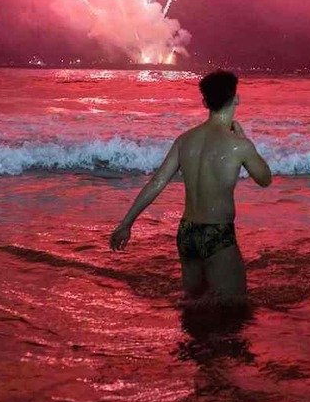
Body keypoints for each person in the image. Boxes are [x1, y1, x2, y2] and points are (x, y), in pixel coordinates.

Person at [109, 70, 272, 303]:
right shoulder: (239, 145)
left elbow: (157, 182)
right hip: (218, 232)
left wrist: (126, 224)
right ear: (236, 98)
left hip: (187, 233)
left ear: (205, 102)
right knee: (235, 308)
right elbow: (265, 179)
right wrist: (247, 140)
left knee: (193, 305)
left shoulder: (185, 140)